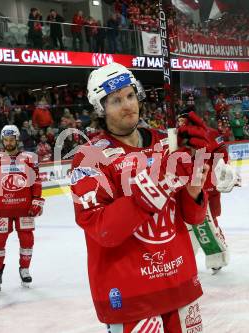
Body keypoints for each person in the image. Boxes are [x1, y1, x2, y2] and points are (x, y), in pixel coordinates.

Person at [70, 63, 210, 332]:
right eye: (115, 100)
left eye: (130, 95)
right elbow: (102, 230)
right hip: (132, 293)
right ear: (100, 108)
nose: (127, 105)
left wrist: (194, 191)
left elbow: (192, 217)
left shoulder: (165, 143)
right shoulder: (89, 158)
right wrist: (155, 186)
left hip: (178, 281)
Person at [0, 125, 44, 291]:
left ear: (17, 139)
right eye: (6, 140)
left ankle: (24, 269)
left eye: (11, 139)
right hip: (1, 208)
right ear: (2, 140)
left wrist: (37, 200)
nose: (8, 143)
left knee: (27, 240)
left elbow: (36, 181)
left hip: (25, 208)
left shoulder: (30, 157)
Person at [178, 113, 240, 274]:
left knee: (210, 221)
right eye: (178, 121)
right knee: (188, 225)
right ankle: (187, 257)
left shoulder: (210, 133)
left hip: (208, 187)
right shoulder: (176, 137)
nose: (180, 123)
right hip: (188, 187)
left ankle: (218, 254)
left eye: (182, 120)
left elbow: (221, 154)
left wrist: (224, 171)